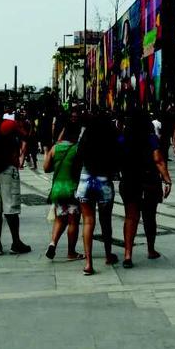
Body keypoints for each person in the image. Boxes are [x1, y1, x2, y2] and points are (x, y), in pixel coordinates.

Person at [118, 110, 173, 267]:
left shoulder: (123, 138)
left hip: (129, 180)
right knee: (150, 216)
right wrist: (167, 180)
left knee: (130, 217)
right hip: (149, 181)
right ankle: (150, 249)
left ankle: (128, 255)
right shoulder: (150, 138)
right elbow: (158, 160)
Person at [0, 98, 31, 255]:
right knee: (11, 207)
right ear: (1, 109)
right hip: (8, 168)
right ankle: (16, 242)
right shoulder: (9, 124)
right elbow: (26, 136)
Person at [76, 113, 119, 275]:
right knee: (105, 220)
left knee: (88, 221)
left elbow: (78, 156)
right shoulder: (111, 135)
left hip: (86, 179)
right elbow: (117, 159)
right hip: (103, 180)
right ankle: (108, 255)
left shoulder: (86, 135)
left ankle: (88, 263)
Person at [43, 106, 83, 261]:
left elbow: (46, 168)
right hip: (73, 189)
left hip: (58, 189)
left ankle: (53, 243)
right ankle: (71, 252)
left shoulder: (55, 148)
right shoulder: (77, 148)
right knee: (73, 220)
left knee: (60, 219)